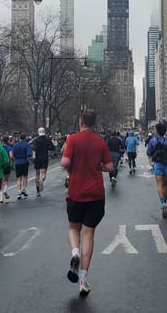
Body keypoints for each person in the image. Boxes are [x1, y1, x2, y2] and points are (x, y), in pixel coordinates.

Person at [61, 110, 114, 296]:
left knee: (74, 229)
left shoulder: (72, 139)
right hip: (96, 194)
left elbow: (64, 162)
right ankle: (83, 280)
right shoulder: (100, 141)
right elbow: (109, 167)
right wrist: (96, 166)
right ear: (94, 123)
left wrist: (73, 165)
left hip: (76, 193)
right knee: (89, 234)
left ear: (80, 121)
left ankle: (74, 251)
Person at [146, 122, 167, 218]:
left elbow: (148, 152)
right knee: (165, 185)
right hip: (166, 165)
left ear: (157, 131)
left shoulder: (152, 140)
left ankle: (162, 203)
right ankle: (164, 202)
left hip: (158, 164)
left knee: (159, 185)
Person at [31, 128, 55, 196]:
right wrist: (47, 147)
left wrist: (33, 157)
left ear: (38, 132)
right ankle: (42, 180)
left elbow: (34, 149)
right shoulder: (47, 139)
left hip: (38, 158)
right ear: (44, 132)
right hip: (45, 157)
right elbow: (52, 147)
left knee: (37, 174)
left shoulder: (36, 140)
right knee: (43, 173)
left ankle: (38, 191)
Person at [12, 133, 32, 199]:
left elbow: (13, 154)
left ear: (19, 138)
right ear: (25, 138)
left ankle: (18, 192)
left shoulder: (15, 145)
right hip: (24, 161)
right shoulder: (27, 145)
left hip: (17, 162)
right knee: (25, 176)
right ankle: (24, 189)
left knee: (18, 178)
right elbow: (29, 154)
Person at [0, 136, 14, 202]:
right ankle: (5, 190)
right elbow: (11, 156)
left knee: (1, 180)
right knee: (6, 179)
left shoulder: (0, 148)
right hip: (7, 164)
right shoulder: (9, 148)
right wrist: (11, 162)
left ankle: (1, 197)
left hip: (0, 165)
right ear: (7, 141)